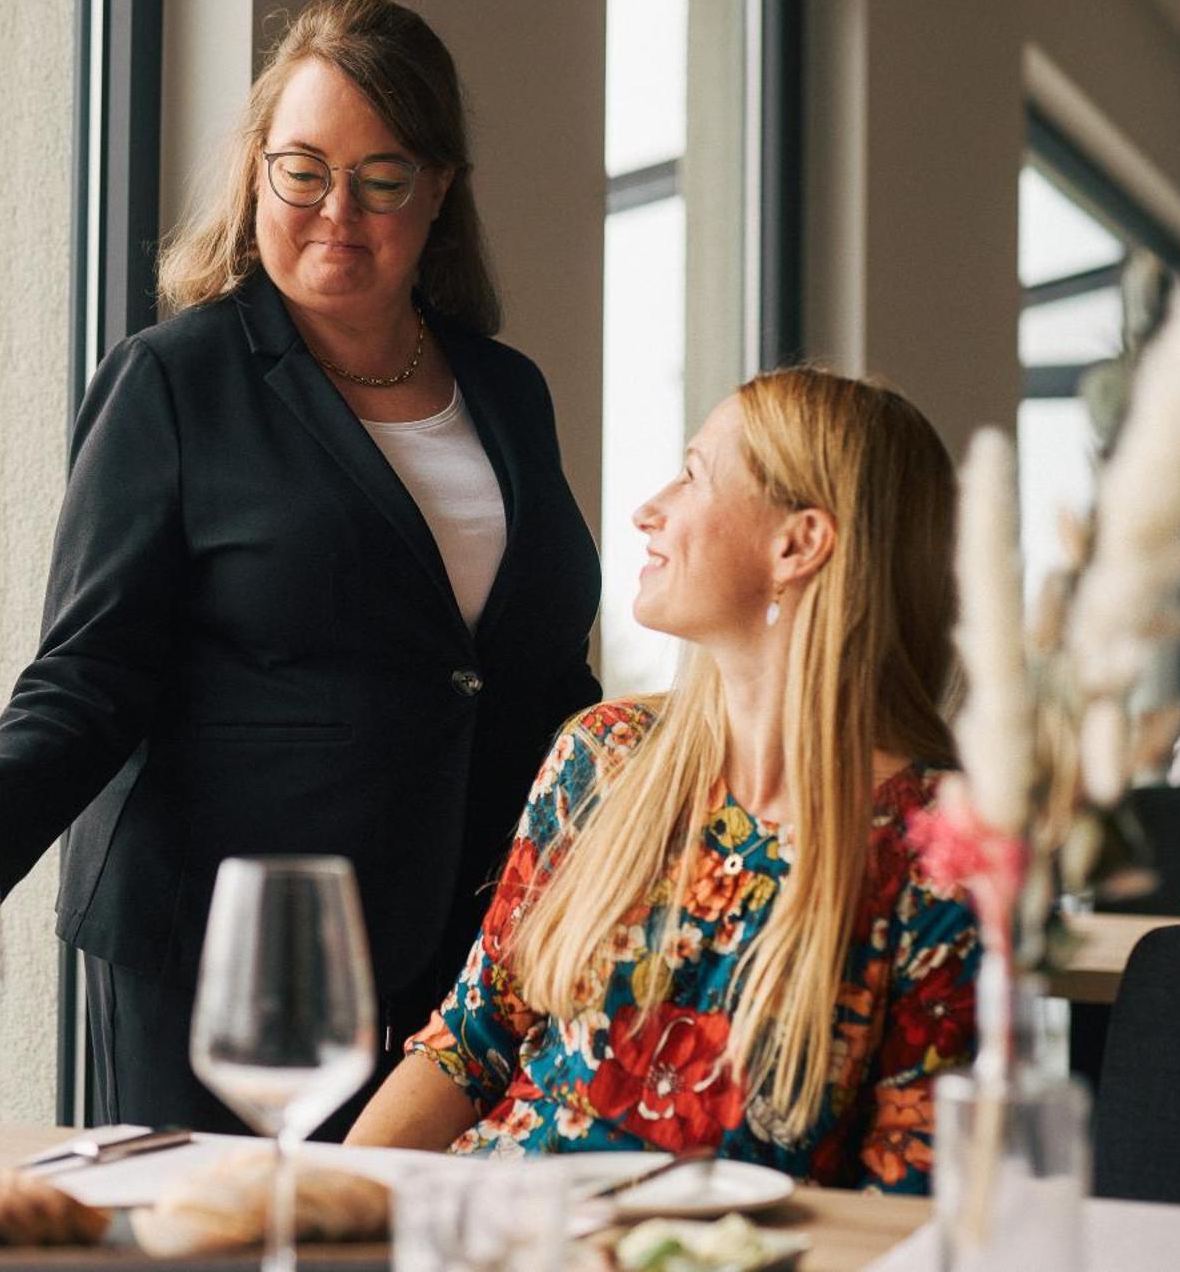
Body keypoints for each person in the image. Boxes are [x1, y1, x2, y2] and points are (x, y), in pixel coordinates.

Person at [0, 0, 600, 1136]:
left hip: (468, 951)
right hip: (224, 951)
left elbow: (539, 677)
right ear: (256, 171)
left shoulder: (507, 393)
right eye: (302, 170)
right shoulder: (173, 381)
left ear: (438, 193)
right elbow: (86, 676)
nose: (335, 212)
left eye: (380, 179)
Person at [346, 369, 978, 1191]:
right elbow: (470, 1044)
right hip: (492, 1234)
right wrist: (324, 1207)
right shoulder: (605, 756)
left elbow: (912, 1196)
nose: (651, 508)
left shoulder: (941, 846)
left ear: (798, 543)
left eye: (694, 473)